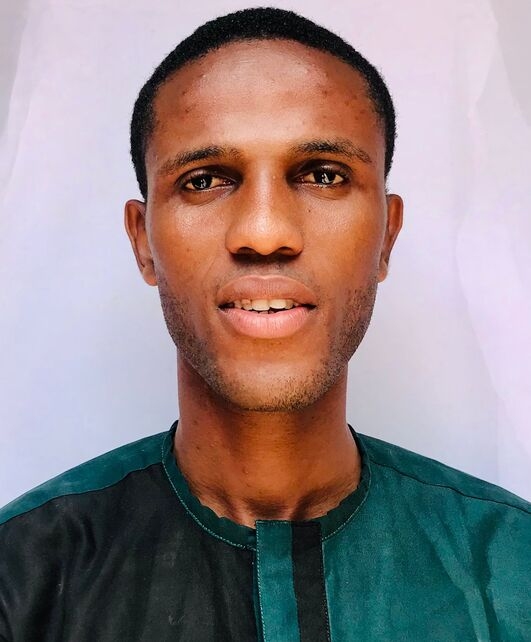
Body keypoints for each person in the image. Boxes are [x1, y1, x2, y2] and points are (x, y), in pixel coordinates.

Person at [0, 6, 529, 641]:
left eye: (323, 175)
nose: (264, 232)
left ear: (387, 236)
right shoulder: (21, 575)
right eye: (205, 181)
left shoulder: (514, 568)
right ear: (143, 243)